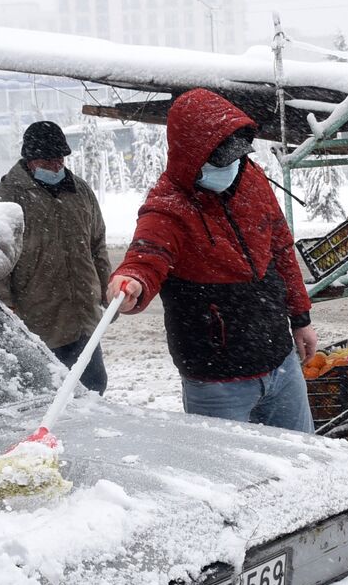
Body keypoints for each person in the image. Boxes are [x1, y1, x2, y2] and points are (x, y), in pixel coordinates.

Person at [106, 88, 318, 433]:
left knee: (304, 464)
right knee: (232, 481)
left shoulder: (251, 179)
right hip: (217, 383)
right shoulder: (169, 206)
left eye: (237, 156)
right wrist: (132, 282)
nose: (232, 167)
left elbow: (281, 250)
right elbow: (147, 256)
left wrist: (301, 318)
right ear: (193, 156)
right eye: (221, 160)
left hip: (281, 365)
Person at [0, 121, 112, 394]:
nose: (56, 167)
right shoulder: (6, 200)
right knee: (50, 395)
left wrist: (106, 289)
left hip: (83, 317)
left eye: (60, 160)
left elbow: (97, 245)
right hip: (39, 321)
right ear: (30, 160)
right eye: (48, 160)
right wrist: (7, 309)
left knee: (93, 387)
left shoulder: (80, 191)